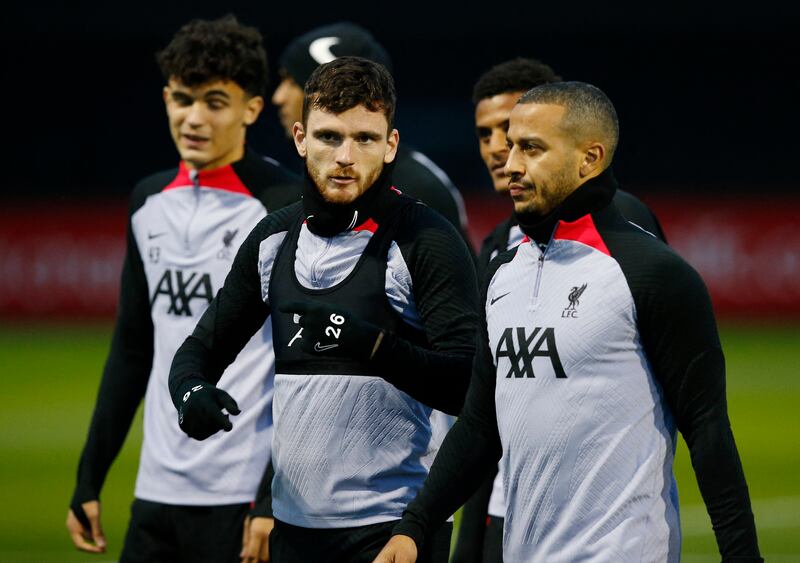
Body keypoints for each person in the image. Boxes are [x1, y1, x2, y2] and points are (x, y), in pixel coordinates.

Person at [374, 82, 761, 562]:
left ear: (590, 159)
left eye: (532, 148)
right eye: (511, 145)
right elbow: (479, 425)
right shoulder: (501, 272)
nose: (511, 163)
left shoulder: (653, 274)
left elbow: (708, 434)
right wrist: (415, 525)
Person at [168, 57, 479, 563]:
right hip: (293, 529)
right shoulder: (273, 239)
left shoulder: (426, 240)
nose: (346, 157)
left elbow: (469, 387)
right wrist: (190, 391)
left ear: (391, 144)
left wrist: (373, 347)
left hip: (392, 528)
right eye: (330, 137)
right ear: (300, 138)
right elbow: (200, 349)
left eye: (365, 138)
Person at [66, 15, 300, 563]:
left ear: (251, 109)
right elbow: (131, 349)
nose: (193, 118)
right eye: (181, 99)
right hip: (156, 494)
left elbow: (303, 370)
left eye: (214, 102)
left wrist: (270, 498)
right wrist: (88, 478)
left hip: (239, 496)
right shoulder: (147, 202)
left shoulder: (282, 208)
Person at [453, 57, 670, 563]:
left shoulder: (625, 228)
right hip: (512, 510)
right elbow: (487, 411)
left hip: (605, 524)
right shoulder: (495, 251)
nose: (497, 149)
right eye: (486, 134)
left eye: (515, 134)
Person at [271, 21, 470, 242]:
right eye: (328, 137)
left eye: (292, 82)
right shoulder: (301, 182)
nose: (278, 97)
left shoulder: (418, 189)